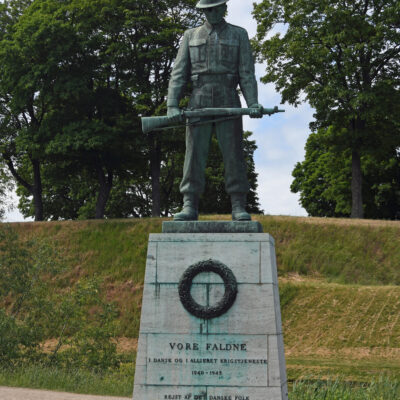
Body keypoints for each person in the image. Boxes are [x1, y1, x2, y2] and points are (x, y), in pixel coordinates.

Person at [167, 0, 263, 221]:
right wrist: (172, 104)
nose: (210, 13)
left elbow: (246, 72)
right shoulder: (190, 35)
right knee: (193, 155)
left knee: (233, 154)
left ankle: (239, 204)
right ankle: (189, 203)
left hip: (228, 96)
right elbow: (179, 73)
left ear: (223, 8)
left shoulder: (239, 34)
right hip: (198, 98)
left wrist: (253, 103)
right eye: (206, 10)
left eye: (214, 8)